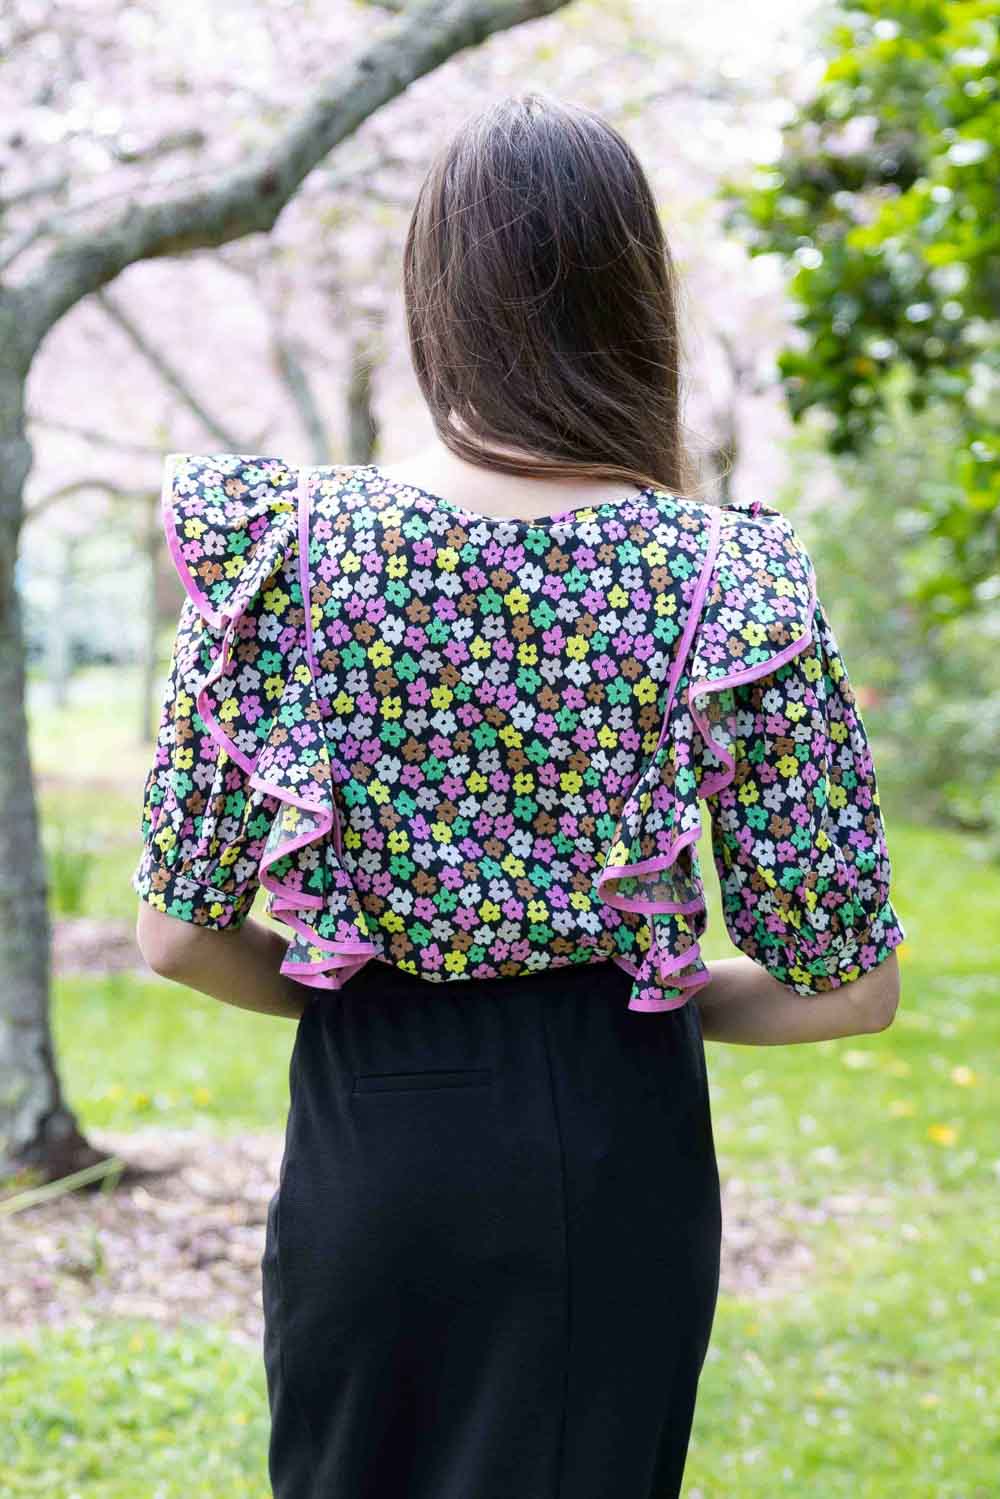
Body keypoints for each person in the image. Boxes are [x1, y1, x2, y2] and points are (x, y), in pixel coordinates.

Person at [133, 92, 906, 1499]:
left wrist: (383, 1004)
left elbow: (178, 936)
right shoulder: (728, 580)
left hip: (369, 1136)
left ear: (434, 294)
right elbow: (850, 989)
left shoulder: (281, 554)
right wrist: (623, 999)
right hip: (616, 1140)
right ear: (637, 298)